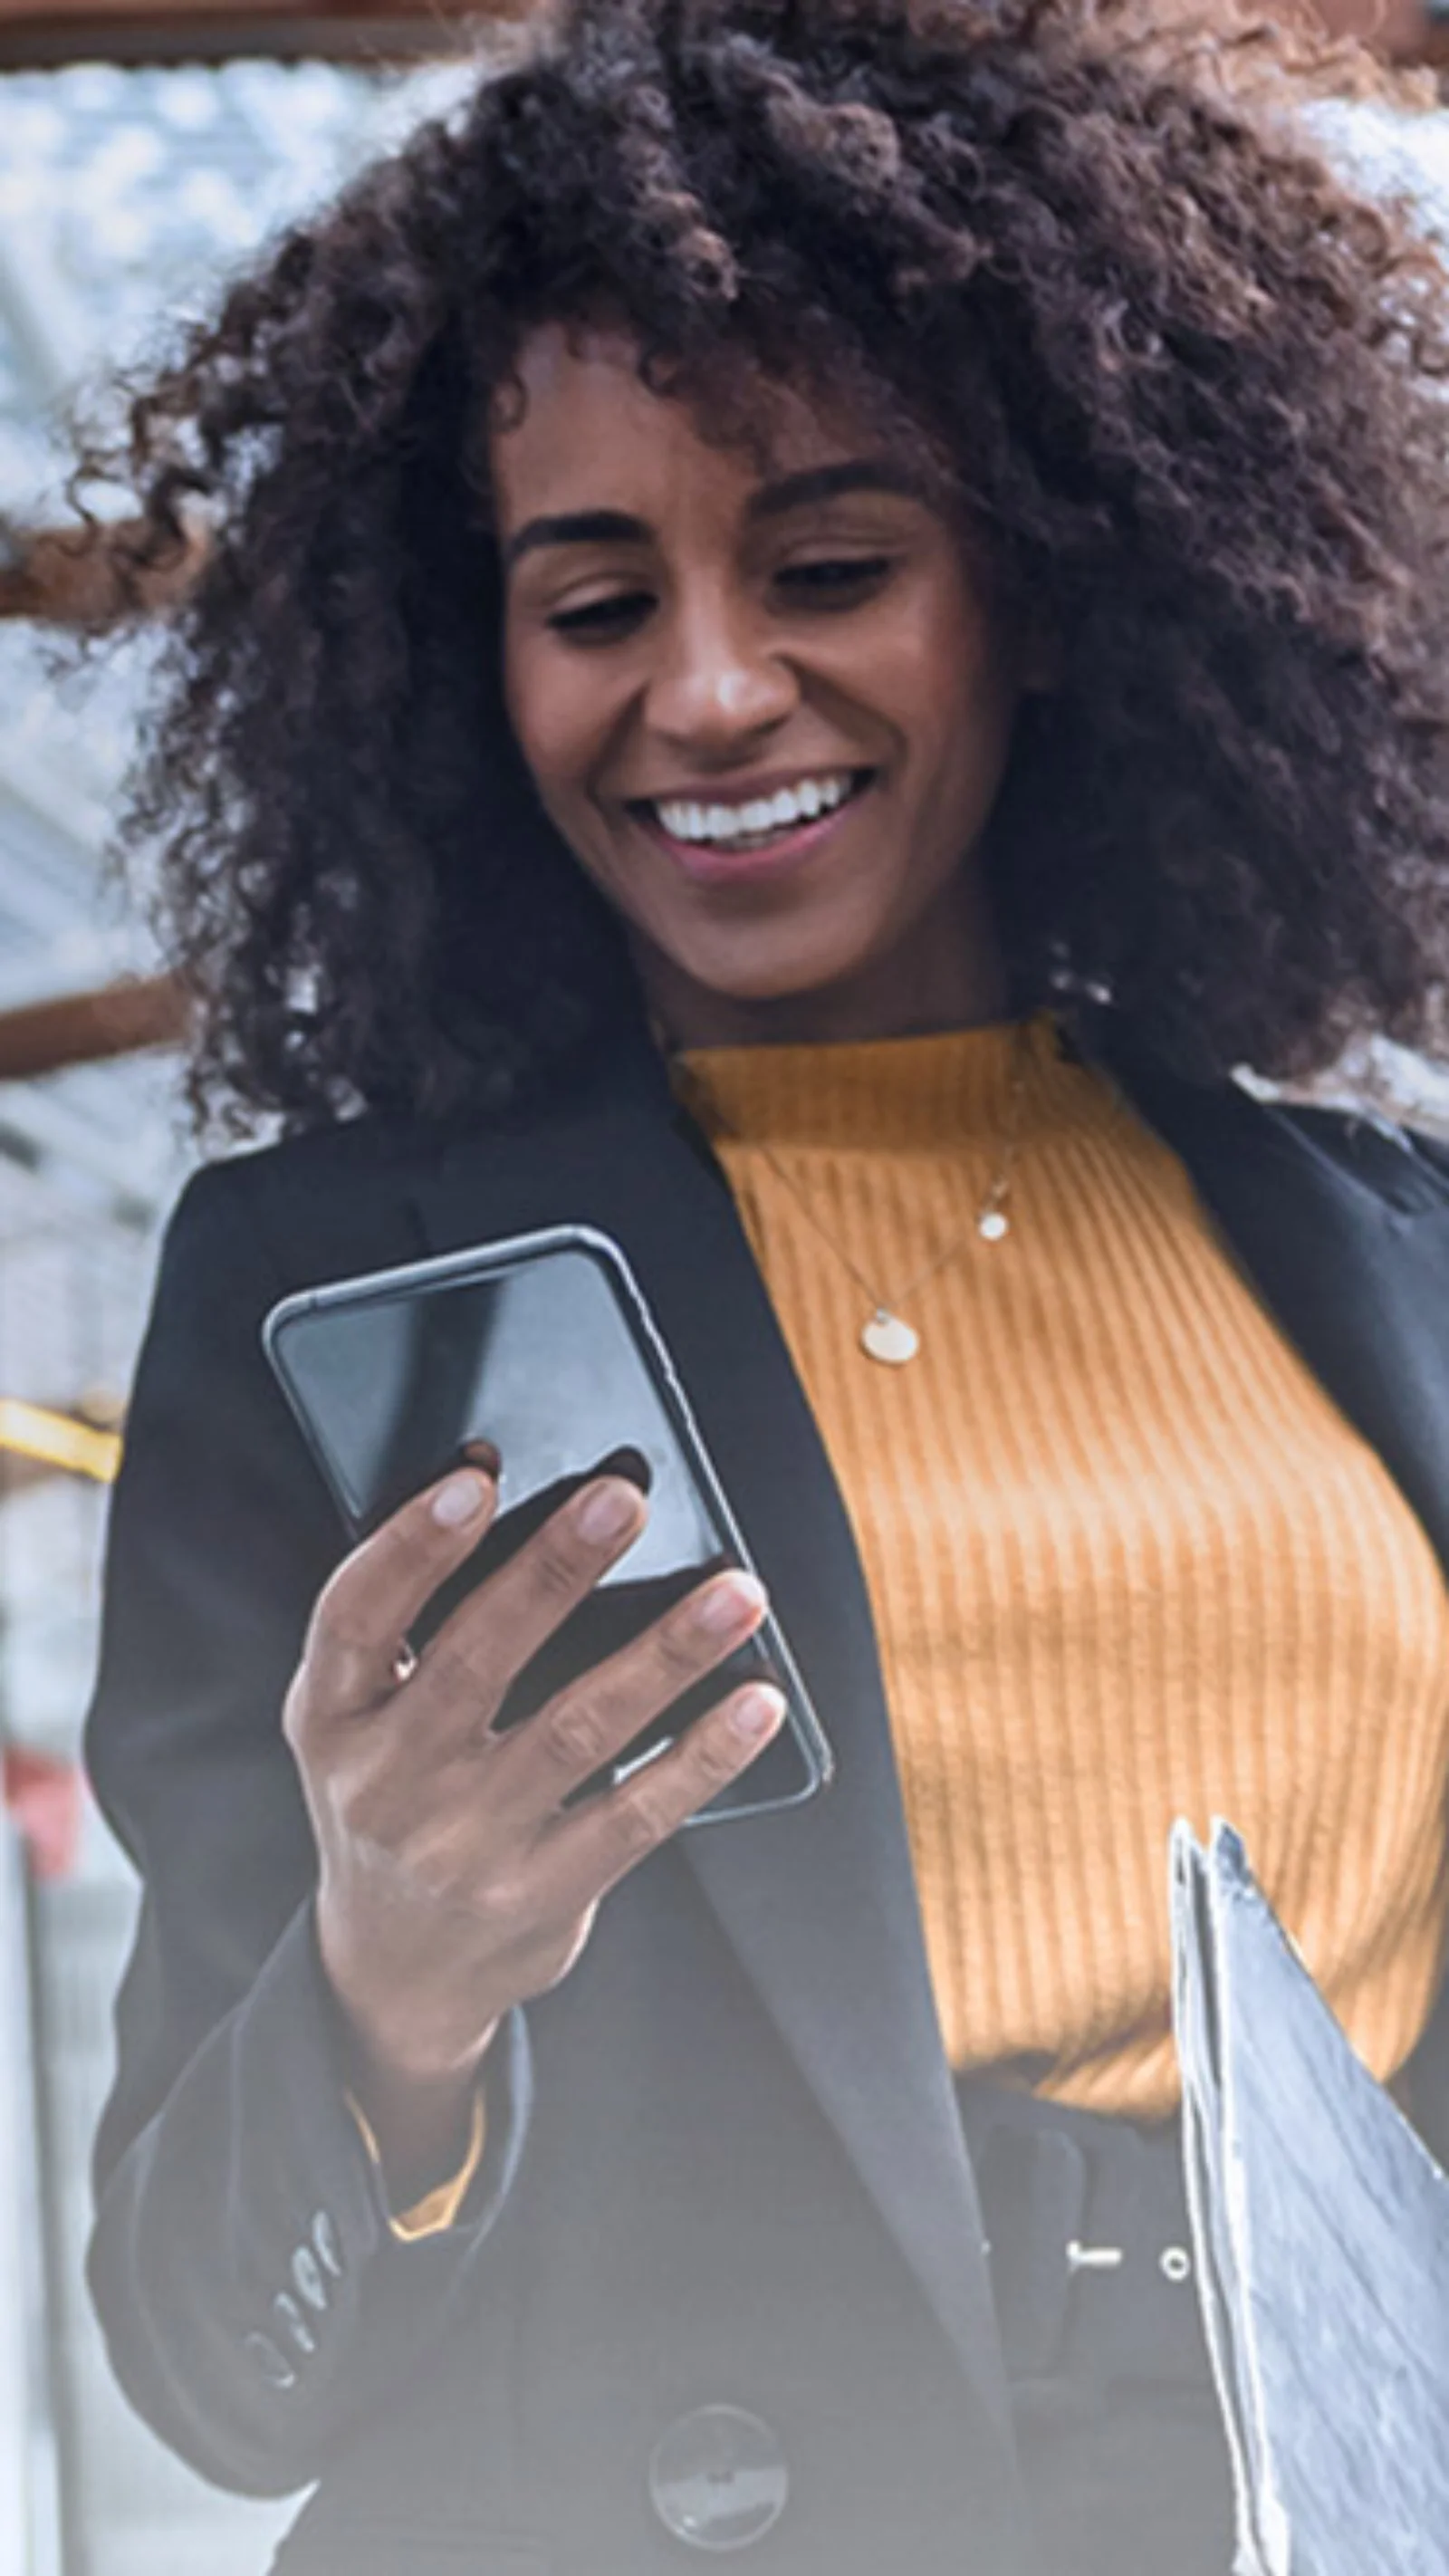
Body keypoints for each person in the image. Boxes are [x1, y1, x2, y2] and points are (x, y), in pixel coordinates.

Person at [80, 3, 1449, 2571]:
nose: (708, 690)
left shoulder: (1393, 1254)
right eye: (594, 597)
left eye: (830, 564)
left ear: (1043, 595)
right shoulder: (332, 1303)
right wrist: (394, 1985)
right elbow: (199, 2351)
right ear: (473, 667)